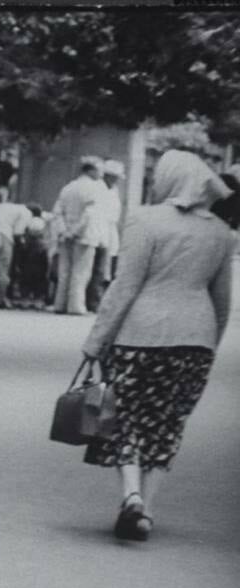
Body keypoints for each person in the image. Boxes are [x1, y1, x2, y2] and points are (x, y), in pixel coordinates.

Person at [78, 150, 233, 541]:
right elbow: (222, 300)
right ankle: (147, 508)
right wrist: (210, 342)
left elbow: (124, 286)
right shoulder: (220, 232)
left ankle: (130, 496)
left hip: (140, 334)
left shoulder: (145, 221)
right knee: (168, 424)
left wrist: (96, 341)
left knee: (125, 416)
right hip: (195, 341)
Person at [51, 158, 106, 315]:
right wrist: (75, 231)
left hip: (65, 235)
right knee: (81, 272)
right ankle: (75, 306)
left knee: (65, 271)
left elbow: (57, 212)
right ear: (90, 170)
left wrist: (64, 231)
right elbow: (89, 214)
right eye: (99, 170)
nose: (101, 174)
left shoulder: (68, 188)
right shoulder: (93, 189)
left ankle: (60, 304)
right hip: (84, 235)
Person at [87, 158, 125, 312]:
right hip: (98, 231)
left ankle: (98, 300)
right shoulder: (97, 188)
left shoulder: (113, 191)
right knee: (97, 269)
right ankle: (93, 301)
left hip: (109, 232)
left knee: (105, 270)